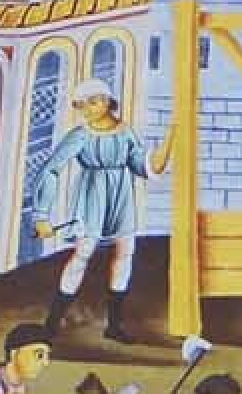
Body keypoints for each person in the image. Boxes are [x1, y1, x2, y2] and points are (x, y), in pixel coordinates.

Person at [35, 87, 168, 342]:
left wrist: (159, 154)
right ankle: (52, 323)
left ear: (107, 102)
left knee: (124, 254)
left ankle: (114, 325)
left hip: (121, 197)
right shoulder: (81, 135)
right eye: (81, 104)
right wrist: (41, 215)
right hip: (91, 197)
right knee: (82, 254)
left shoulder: (125, 131)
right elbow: (51, 169)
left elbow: (140, 164)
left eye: (92, 102)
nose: (87, 109)